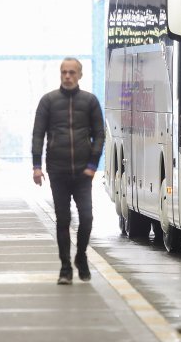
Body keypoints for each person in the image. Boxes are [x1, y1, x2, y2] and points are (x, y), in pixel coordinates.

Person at [32, 58, 105, 285]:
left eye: (72, 72)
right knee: (63, 220)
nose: (67, 76)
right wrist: (37, 166)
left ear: (80, 75)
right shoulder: (48, 101)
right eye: (64, 72)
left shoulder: (90, 101)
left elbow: (100, 135)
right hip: (58, 170)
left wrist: (93, 165)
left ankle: (80, 256)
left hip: (84, 172)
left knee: (87, 217)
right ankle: (65, 268)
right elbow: (38, 134)